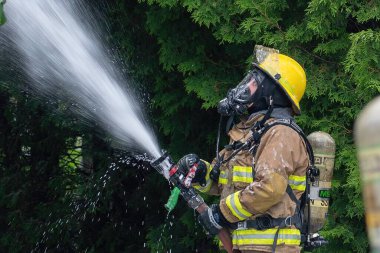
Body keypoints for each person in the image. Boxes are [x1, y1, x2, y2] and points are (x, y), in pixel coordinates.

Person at [177, 46, 309, 253]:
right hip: (242, 246)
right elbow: (222, 181)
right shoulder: (248, 135)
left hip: (272, 248)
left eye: (255, 83)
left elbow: (270, 189)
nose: (246, 88)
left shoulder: (281, 134)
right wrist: (200, 173)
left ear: (272, 93)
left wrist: (222, 214)